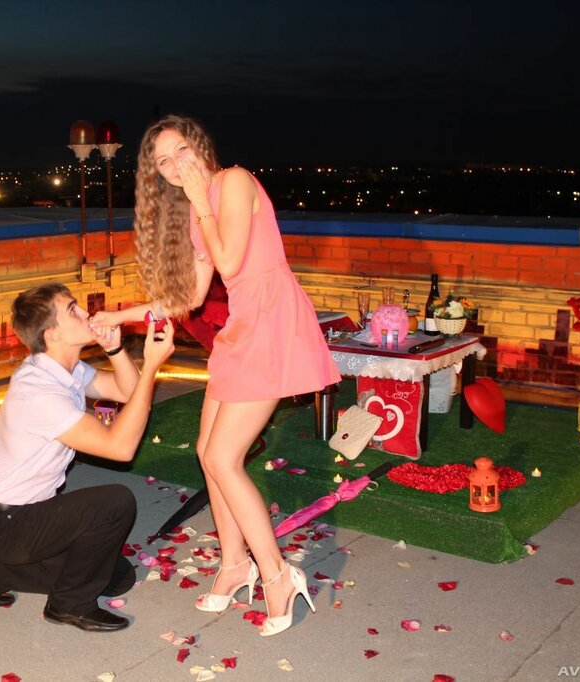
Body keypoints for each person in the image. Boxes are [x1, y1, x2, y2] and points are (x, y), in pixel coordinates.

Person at [92, 115, 341, 637]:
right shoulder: (196, 211)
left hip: (272, 325)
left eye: (180, 151)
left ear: (200, 146)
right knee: (207, 452)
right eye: (163, 161)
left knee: (225, 458)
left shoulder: (235, 182)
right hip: (242, 329)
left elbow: (229, 260)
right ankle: (233, 565)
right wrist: (120, 316)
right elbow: (191, 296)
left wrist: (199, 199)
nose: (174, 165)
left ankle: (277, 575)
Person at [0, 282, 176, 632]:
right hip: (9, 523)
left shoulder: (64, 368)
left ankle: (0, 569)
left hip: (31, 515)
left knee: (118, 578)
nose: (86, 313)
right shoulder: (38, 391)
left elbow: (128, 391)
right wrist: (152, 366)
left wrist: (115, 350)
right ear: (51, 334)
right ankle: (68, 605)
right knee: (114, 502)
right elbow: (120, 448)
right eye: (73, 311)